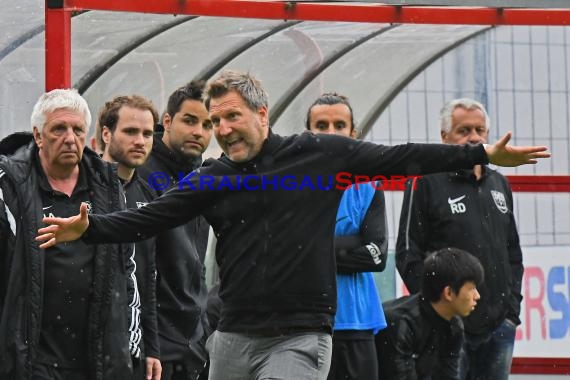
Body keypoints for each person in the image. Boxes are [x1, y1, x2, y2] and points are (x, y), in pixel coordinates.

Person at [36, 70, 549, 380]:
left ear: (262, 113)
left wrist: (480, 151)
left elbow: (400, 157)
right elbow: (150, 217)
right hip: (233, 337)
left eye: (232, 116)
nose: (223, 128)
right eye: (216, 121)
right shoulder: (216, 177)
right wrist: (91, 228)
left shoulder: (319, 156)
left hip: (301, 335)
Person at [0, 89, 134, 379]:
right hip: (31, 357)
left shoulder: (109, 187)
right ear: (38, 136)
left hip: (95, 355)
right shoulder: (10, 186)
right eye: (59, 129)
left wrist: (132, 344)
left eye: (78, 130)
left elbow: (128, 267)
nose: (70, 138)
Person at [396, 98, 524, 380]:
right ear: (444, 137)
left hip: (498, 325)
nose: (474, 137)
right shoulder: (426, 180)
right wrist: (435, 310)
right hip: (448, 325)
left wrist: (511, 312)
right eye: (464, 130)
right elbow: (407, 252)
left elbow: (513, 252)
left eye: (480, 130)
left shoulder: (499, 183)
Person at [306, 93, 388, 380]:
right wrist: (354, 243)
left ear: (353, 133)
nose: (331, 133)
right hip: (306, 324)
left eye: (339, 125)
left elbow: (377, 255)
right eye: (322, 125)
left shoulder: (368, 186)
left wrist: (315, 249)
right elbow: (291, 249)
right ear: (308, 134)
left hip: (358, 322)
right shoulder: (293, 186)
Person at [136, 81, 213, 380]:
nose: (199, 132)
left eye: (207, 124)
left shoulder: (204, 177)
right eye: (190, 120)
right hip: (153, 340)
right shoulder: (141, 170)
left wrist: (205, 321)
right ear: (167, 121)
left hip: (192, 337)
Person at [98, 95, 162, 380]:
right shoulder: (83, 188)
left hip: (132, 348)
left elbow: (147, 277)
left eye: (147, 133)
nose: (141, 140)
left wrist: (152, 347)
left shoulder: (148, 196)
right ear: (106, 133)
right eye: (130, 131)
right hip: (86, 345)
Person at [376, 247, 484, 380]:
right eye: (471, 288)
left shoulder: (454, 326)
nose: (477, 296)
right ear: (448, 293)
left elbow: (448, 376)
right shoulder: (401, 323)